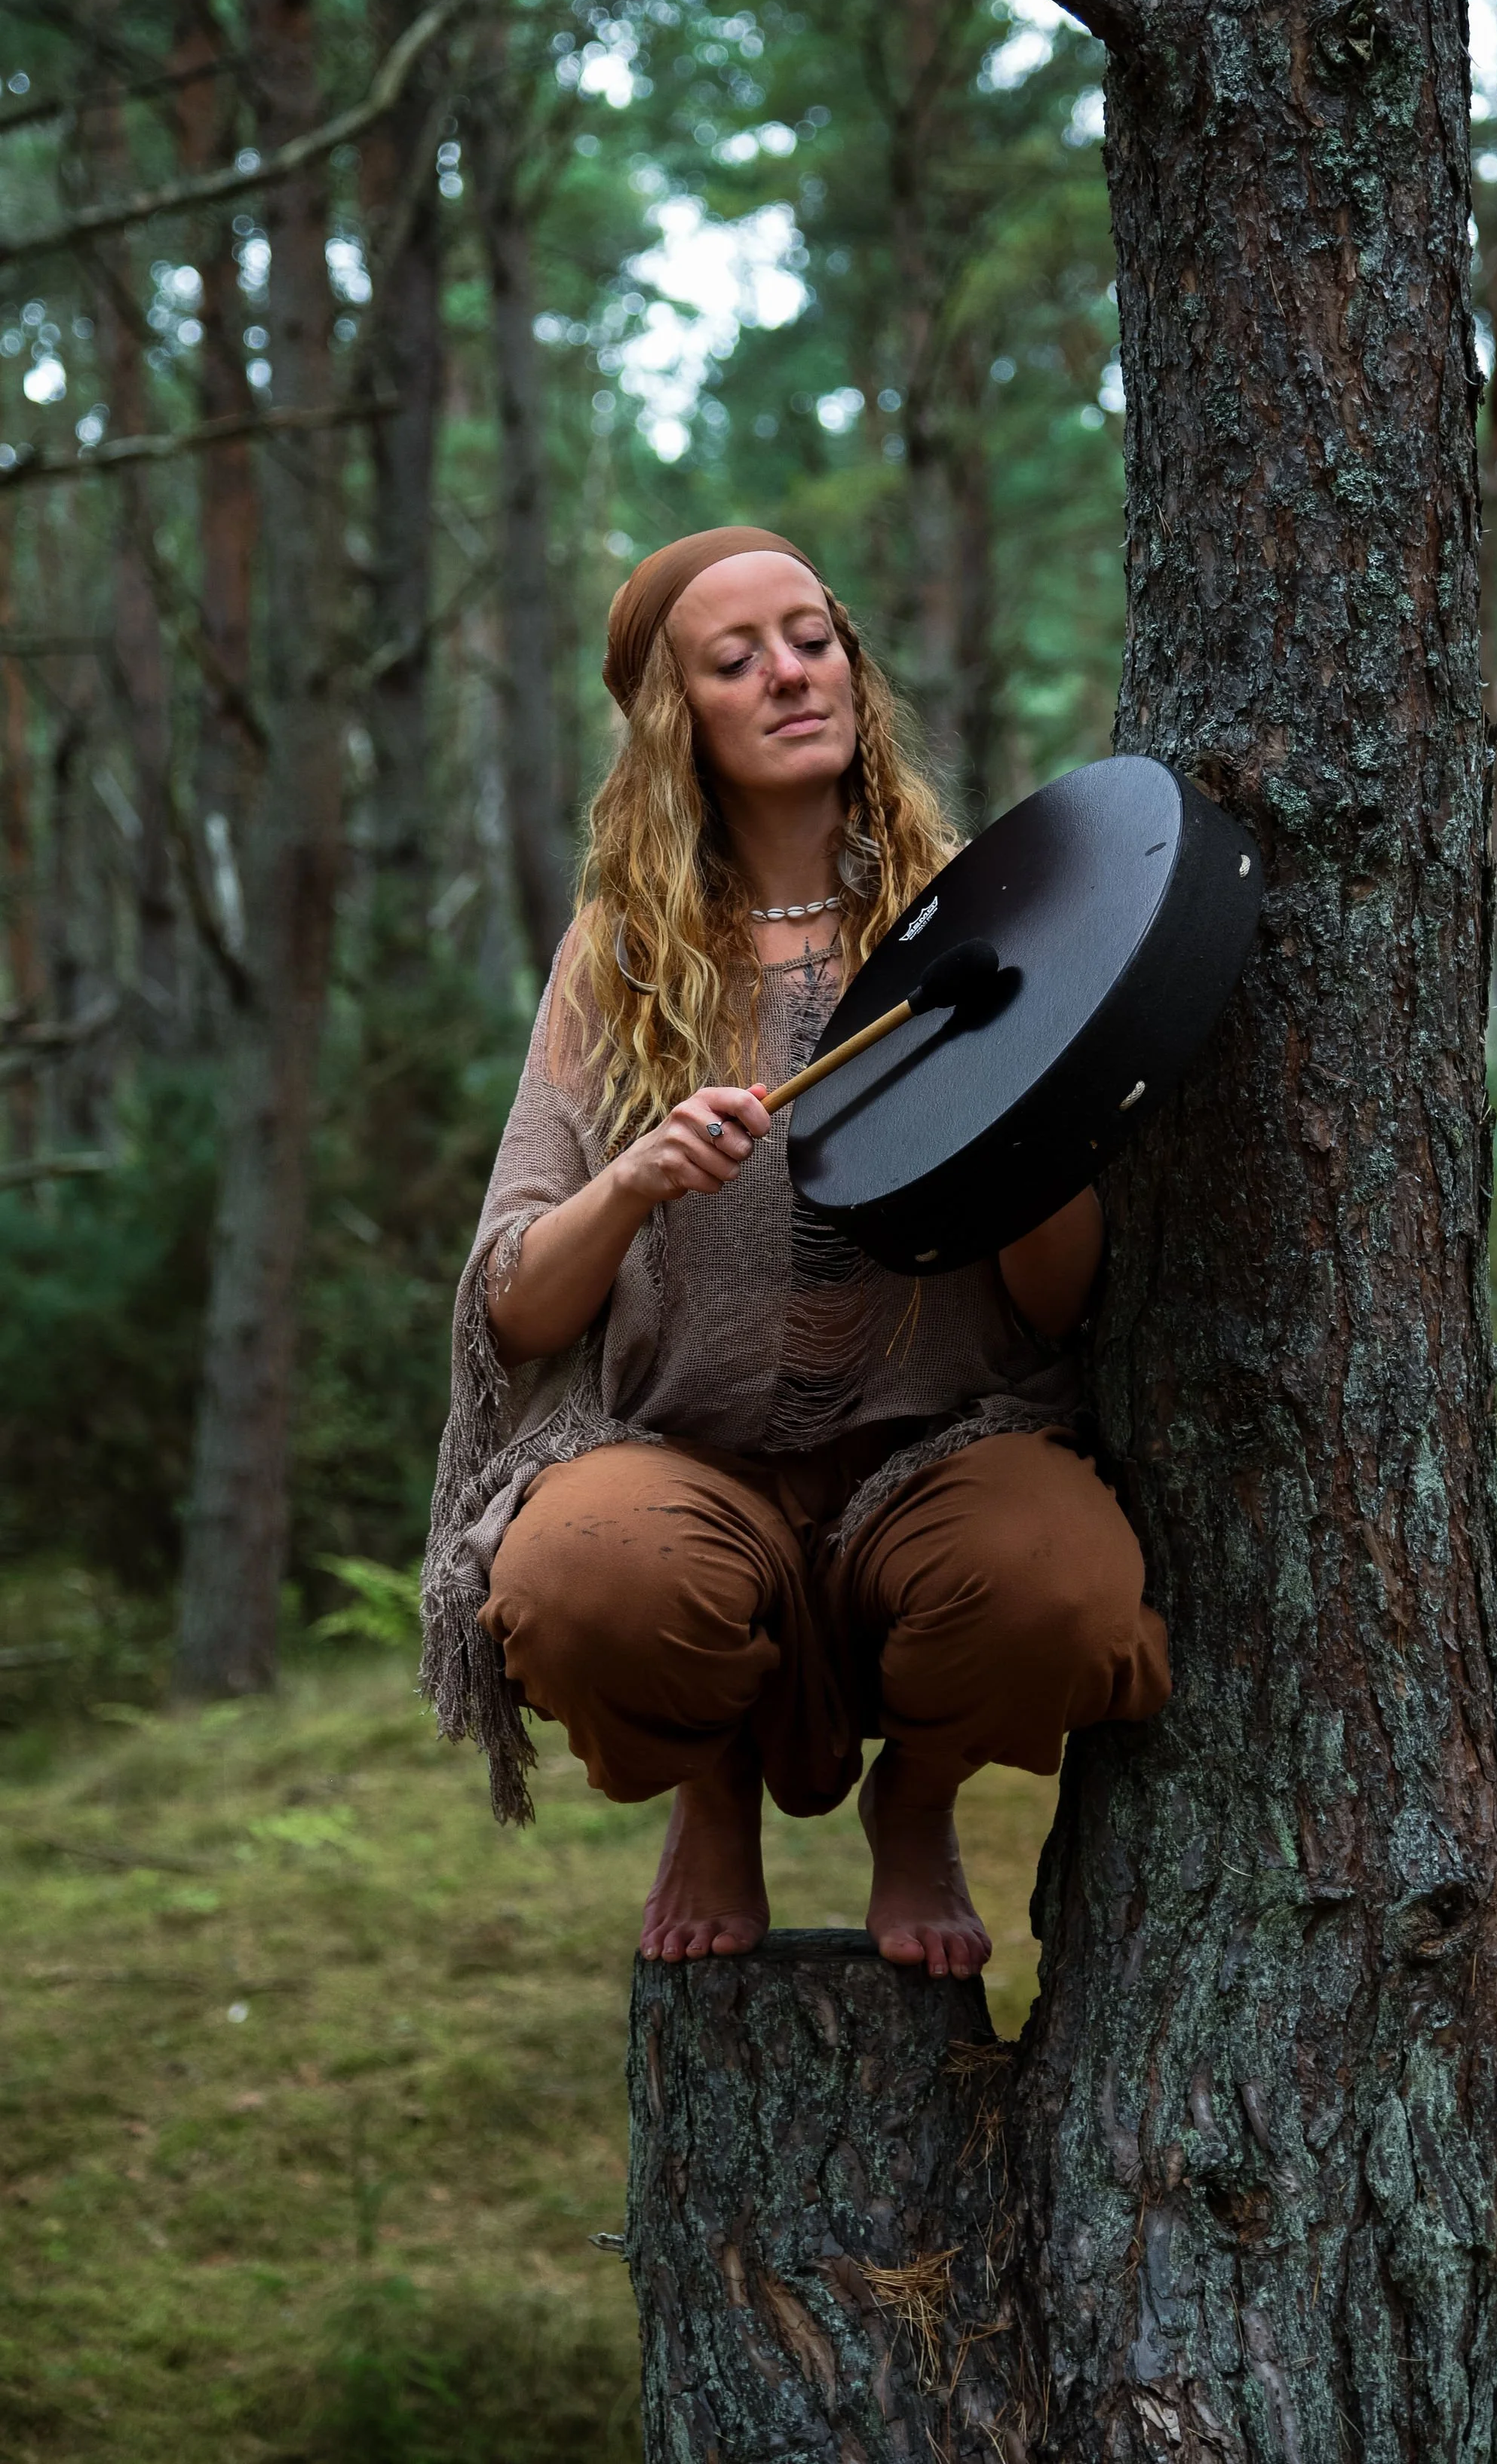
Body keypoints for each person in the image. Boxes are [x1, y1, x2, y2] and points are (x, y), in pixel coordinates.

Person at [420, 526, 1170, 1979]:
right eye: (736, 657)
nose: (788, 674)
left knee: (1061, 1591)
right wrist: (630, 1183)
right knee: (585, 1584)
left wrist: (1021, 1132)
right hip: (684, 1472)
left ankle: (920, 1800)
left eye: (812, 637)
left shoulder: (990, 908)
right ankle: (712, 1794)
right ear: (673, 720)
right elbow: (511, 1307)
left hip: (945, 1459)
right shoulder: (619, 954)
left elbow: (1061, 1303)